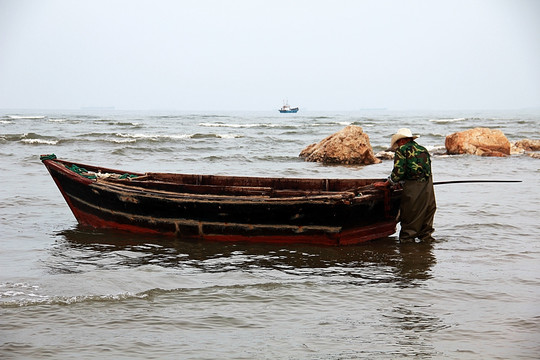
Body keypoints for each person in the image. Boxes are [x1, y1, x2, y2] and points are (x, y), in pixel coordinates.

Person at [374, 128, 436, 243]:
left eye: (398, 142)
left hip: (413, 187)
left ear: (402, 141)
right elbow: (421, 170)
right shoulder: (423, 149)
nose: (397, 145)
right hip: (428, 185)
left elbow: (398, 172)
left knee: (410, 214)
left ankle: (408, 247)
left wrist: (388, 183)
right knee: (427, 211)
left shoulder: (402, 150)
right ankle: (426, 242)